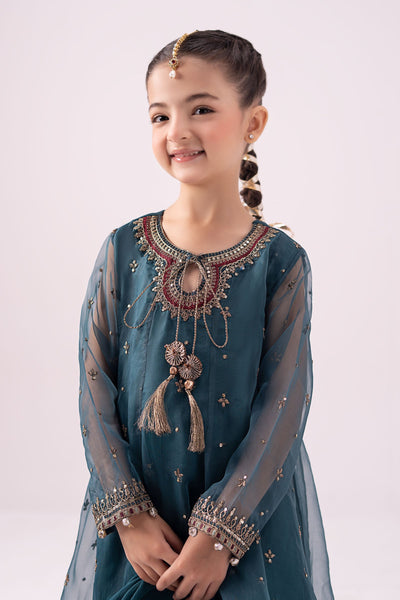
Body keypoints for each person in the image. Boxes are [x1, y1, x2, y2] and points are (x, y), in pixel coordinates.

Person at [61, 29, 334, 600]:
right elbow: (93, 385)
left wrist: (220, 534)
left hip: (247, 528)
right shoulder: (123, 249)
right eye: (160, 116)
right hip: (142, 525)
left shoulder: (279, 261)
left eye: (201, 110)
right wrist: (129, 516)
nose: (177, 132)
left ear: (253, 123)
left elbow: (284, 406)